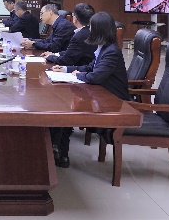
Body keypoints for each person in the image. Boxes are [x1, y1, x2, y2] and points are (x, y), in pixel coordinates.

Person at [50, 11, 131, 168]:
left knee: (65, 112)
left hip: (113, 103)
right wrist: (66, 69)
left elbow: (95, 77)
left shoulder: (111, 52)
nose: (89, 30)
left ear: (99, 30)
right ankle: (57, 148)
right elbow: (89, 67)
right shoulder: (104, 48)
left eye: (91, 28)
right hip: (102, 95)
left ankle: (60, 153)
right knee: (63, 107)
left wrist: (78, 75)